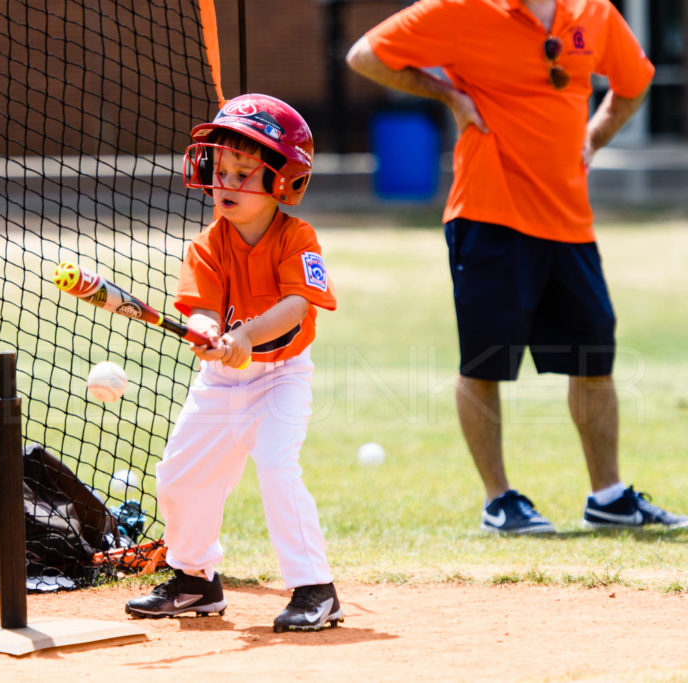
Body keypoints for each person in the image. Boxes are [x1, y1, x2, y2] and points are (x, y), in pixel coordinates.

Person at [346, 0, 688, 533]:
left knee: (593, 356)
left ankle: (609, 497)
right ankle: (498, 500)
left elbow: (635, 80)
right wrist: (449, 95)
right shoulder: (460, 10)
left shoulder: (593, 13)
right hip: (488, 215)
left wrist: (594, 137)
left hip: (569, 219)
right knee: (485, 361)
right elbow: (365, 56)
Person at [124, 94, 343, 632]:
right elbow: (200, 309)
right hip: (221, 379)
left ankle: (316, 588)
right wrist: (205, 333)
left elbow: (297, 306)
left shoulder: (297, 237)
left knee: (274, 465)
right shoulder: (206, 245)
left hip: (282, 377)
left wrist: (244, 334)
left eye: (245, 172)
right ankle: (196, 580)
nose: (226, 182)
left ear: (284, 180)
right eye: (221, 170)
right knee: (180, 476)